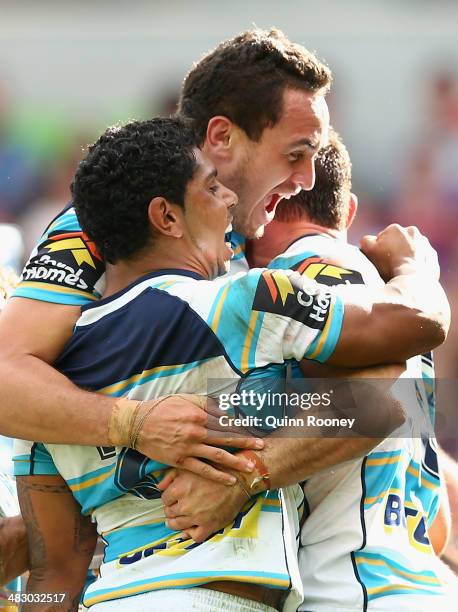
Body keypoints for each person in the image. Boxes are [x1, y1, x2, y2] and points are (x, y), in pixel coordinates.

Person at [13, 118, 446, 611]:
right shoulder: (244, 302)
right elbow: (395, 364)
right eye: (212, 186)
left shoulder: (48, 390)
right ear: (167, 217)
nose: (231, 200)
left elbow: (54, 580)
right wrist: (417, 268)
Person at [163, 130, 455, 610]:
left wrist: (228, 446)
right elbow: (439, 522)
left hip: (349, 589)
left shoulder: (303, 278)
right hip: (419, 584)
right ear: (350, 211)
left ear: (268, 205)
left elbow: (369, 405)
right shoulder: (394, 307)